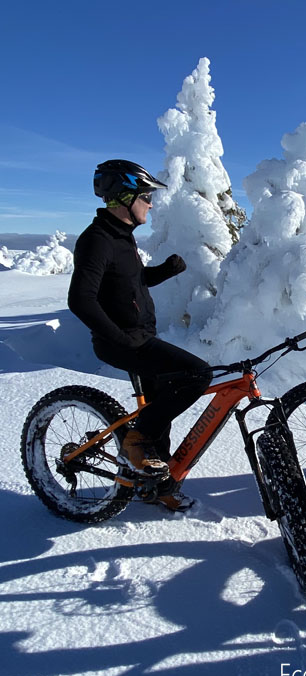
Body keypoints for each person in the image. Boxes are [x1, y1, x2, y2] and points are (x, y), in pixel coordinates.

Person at [68, 159, 212, 511]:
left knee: (160, 407)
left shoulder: (121, 237)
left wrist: (163, 272)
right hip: (121, 342)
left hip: (138, 337)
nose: (151, 203)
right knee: (198, 374)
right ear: (124, 196)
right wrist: (119, 337)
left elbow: (129, 282)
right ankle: (135, 442)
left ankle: (155, 485)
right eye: (146, 196)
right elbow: (80, 299)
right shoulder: (98, 240)